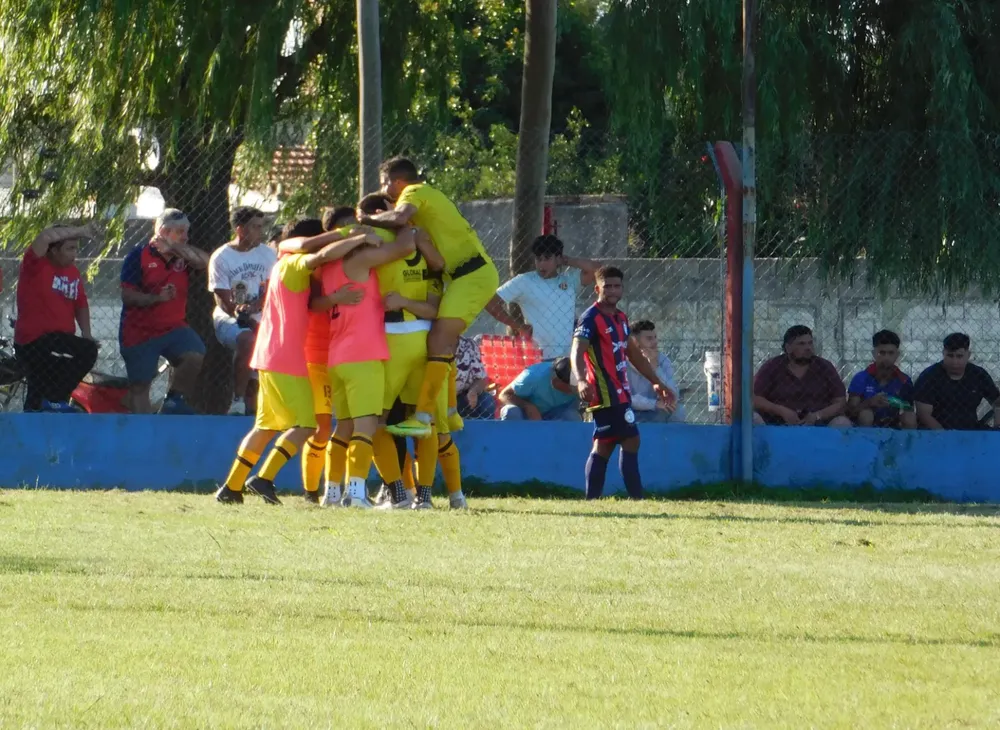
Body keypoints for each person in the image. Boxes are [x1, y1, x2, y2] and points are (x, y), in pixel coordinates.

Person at [215, 220, 376, 505]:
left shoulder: (281, 265)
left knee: (265, 427)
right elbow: (322, 256)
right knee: (306, 425)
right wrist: (354, 235)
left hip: (269, 355)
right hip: (286, 358)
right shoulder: (296, 262)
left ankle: (231, 487)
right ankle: (263, 479)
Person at [358, 157, 500, 438]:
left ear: (398, 182)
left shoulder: (414, 192)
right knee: (441, 342)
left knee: (438, 339)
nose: (386, 191)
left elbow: (397, 218)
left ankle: (423, 417)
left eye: (386, 184)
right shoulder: (426, 202)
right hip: (465, 276)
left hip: (471, 275)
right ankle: (448, 411)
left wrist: (365, 219)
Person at [318, 222, 419, 508]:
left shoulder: (328, 267)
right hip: (363, 357)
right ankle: (357, 494)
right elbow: (405, 247)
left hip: (337, 357)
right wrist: (400, 223)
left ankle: (332, 492)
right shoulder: (359, 259)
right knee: (366, 427)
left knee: (344, 428)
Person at [571, 266, 677, 500]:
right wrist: (580, 380)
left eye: (616, 286)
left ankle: (594, 500)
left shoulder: (621, 318)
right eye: (607, 286)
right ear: (597, 288)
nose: (612, 290)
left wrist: (656, 382)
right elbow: (576, 351)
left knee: (608, 445)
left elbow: (633, 353)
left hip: (620, 392)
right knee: (627, 440)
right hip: (604, 392)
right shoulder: (590, 318)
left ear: (622, 288)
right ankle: (635, 499)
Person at [119, 209, 208, 414]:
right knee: (140, 387)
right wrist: (157, 298)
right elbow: (128, 296)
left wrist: (176, 246)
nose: (186, 236)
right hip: (139, 331)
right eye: (180, 232)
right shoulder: (137, 256)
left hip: (173, 327)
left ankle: (173, 401)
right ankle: (143, 432)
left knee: (195, 355)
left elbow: (205, 262)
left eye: (187, 231)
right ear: (163, 231)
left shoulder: (182, 256)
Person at [14, 222, 100, 412]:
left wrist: (86, 333)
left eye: (75, 249)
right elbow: (44, 236)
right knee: (86, 351)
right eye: (69, 248)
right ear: (53, 250)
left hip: (59, 341)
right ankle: (54, 400)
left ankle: (42, 410)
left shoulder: (73, 272)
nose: (74, 254)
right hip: (35, 341)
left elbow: (80, 304)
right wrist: (81, 230)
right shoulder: (35, 265)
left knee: (39, 390)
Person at [208, 206, 276, 416]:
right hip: (229, 318)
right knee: (248, 339)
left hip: (261, 317)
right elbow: (223, 300)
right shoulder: (221, 257)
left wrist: (257, 307)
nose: (261, 232)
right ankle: (237, 401)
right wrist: (242, 313)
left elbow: (273, 288)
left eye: (261, 226)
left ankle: (253, 407)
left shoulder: (267, 254)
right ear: (240, 230)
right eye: (255, 227)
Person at [486, 234, 598, 359]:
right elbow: (490, 303)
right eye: (538, 259)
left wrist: (567, 260)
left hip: (568, 358)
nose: (542, 264)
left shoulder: (569, 281)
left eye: (547, 258)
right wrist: (518, 327)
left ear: (558, 258)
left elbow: (597, 270)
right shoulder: (524, 281)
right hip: (538, 357)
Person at [752, 325, 851, 427]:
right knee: (752, 417)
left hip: (819, 427)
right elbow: (755, 398)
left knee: (842, 422)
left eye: (810, 343)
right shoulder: (772, 366)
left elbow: (840, 402)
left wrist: (818, 415)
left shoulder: (824, 367)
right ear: (788, 348)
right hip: (777, 425)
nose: (808, 348)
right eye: (801, 344)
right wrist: (781, 411)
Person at [913, 333, 1000, 430]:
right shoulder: (929, 376)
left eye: (959, 356)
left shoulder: (978, 374)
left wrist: (997, 429)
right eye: (950, 356)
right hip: (936, 433)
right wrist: (947, 437)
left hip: (970, 430)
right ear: (943, 354)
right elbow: (924, 415)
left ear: (968, 355)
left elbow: (997, 402)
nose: (954, 361)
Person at [847, 330, 917, 429]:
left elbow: (909, 409)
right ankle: (865, 443)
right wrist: (870, 402)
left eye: (890, 353)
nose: (886, 358)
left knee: (910, 417)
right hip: (865, 426)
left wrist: (896, 403)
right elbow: (850, 412)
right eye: (882, 353)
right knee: (866, 415)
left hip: (893, 425)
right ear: (874, 354)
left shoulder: (904, 380)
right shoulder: (861, 378)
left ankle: (906, 444)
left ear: (897, 354)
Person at [627, 320, 686, 423]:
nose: (655, 342)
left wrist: (655, 366)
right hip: (630, 411)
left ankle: (668, 439)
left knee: (678, 411)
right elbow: (624, 398)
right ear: (635, 342)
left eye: (655, 337)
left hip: (655, 412)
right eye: (649, 338)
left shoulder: (662, 360)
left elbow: (673, 395)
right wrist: (653, 404)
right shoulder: (621, 362)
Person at [499, 358, 580, 421]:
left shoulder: (582, 384)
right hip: (526, 414)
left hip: (553, 415)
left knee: (572, 417)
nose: (572, 391)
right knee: (511, 411)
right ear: (555, 380)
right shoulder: (534, 376)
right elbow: (504, 394)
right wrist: (527, 406)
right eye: (569, 387)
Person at [455, 335, 494, 420]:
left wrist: (473, 391)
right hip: (438, 396)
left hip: (461, 396)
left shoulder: (469, 344)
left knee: (487, 401)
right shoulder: (431, 341)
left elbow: (482, 378)